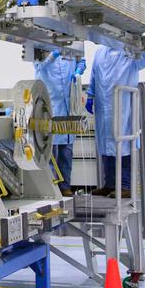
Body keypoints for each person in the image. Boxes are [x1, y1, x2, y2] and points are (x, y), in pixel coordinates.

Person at [85, 44, 145, 196]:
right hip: (103, 106)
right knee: (105, 146)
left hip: (122, 105)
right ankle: (109, 184)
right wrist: (90, 95)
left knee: (123, 144)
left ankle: (125, 186)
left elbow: (143, 61)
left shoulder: (128, 50)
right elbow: (94, 74)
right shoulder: (100, 52)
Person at [35, 50, 85, 196]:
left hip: (67, 107)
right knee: (50, 152)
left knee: (66, 152)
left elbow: (81, 60)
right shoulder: (41, 45)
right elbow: (39, 66)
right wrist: (54, 54)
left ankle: (65, 187)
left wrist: (78, 71)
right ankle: (52, 189)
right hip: (49, 107)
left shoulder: (71, 46)